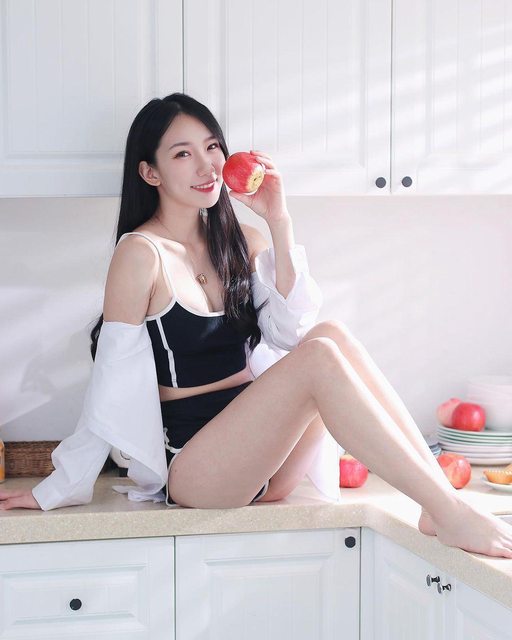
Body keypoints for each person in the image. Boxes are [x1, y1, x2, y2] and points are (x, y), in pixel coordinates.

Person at [1, 93, 512, 560]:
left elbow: (292, 331)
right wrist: (59, 485)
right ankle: (449, 511)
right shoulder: (141, 254)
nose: (207, 166)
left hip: (268, 458)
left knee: (329, 335)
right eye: (182, 154)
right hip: (200, 469)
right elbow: (110, 384)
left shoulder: (241, 240)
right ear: (150, 172)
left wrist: (278, 221)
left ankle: (437, 504)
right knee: (319, 355)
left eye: (212, 147)